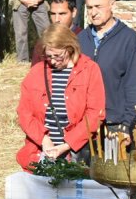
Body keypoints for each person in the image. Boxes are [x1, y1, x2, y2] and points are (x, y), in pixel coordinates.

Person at [16, 24, 105, 171]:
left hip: (76, 155)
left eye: (57, 55)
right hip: (41, 153)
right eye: (48, 56)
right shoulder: (37, 72)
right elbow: (24, 112)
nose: (52, 61)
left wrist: (66, 145)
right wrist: (44, 140)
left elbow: (95, 114)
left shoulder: (89, 70)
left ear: (70, 48)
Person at [77, 0, 136, 134]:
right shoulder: (80, 39)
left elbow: (135, 84)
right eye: (89, 8)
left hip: (115, 122)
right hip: (84, 122)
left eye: (98, 7)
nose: (93, 13)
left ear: (112, 5)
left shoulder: (128, 39)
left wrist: (128, 123)